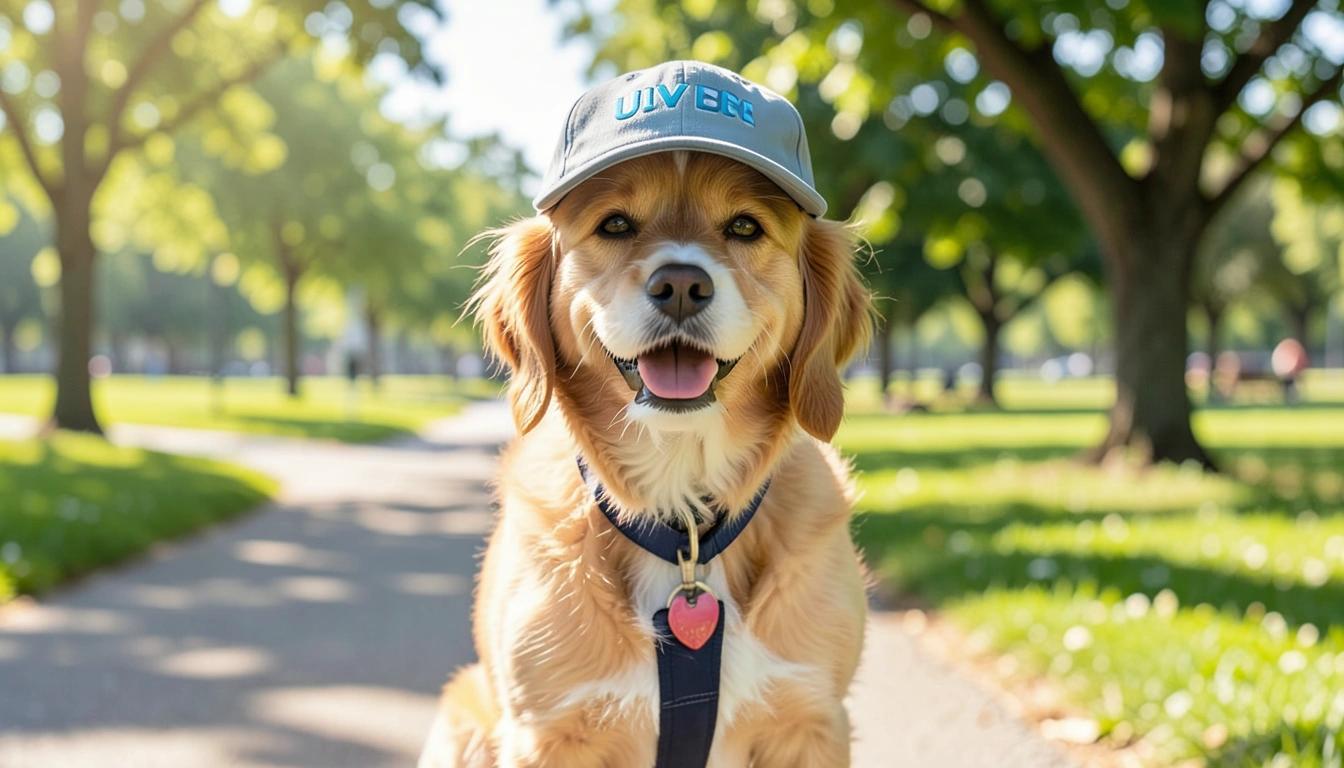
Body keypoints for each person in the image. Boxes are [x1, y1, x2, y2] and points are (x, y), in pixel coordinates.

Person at [1271, 338, 1309, 404]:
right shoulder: (1284, 351)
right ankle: (1290, 397)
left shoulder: (1291, 351)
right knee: (1288, 381)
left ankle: (1290, 396)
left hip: (1289, 373)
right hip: (1285, 373)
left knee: (1289, 381)